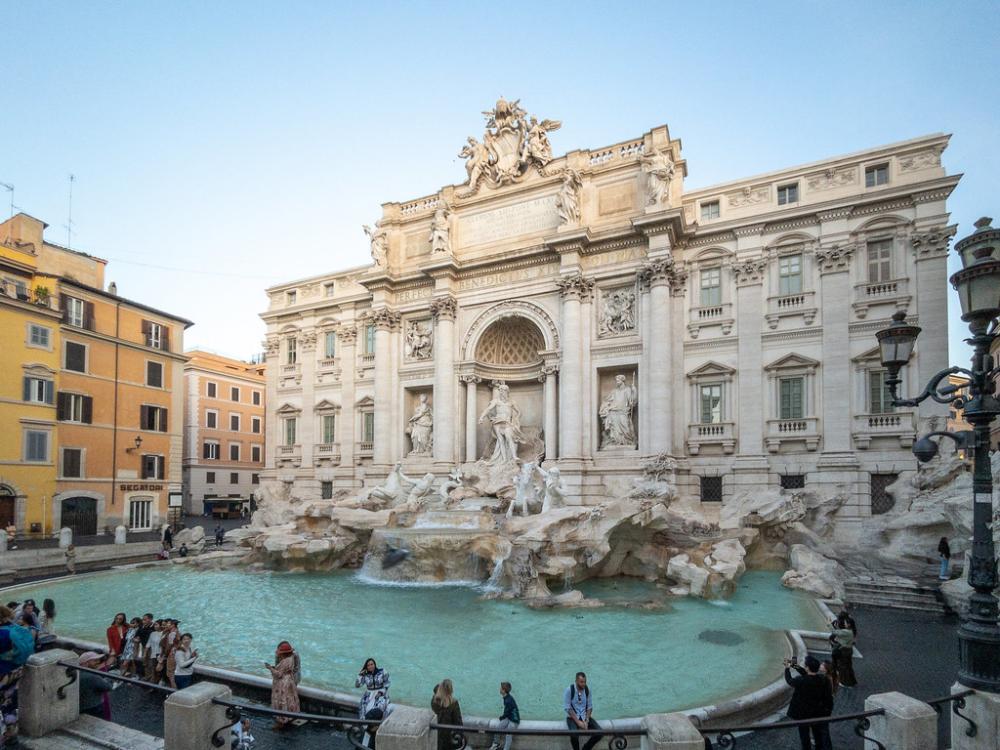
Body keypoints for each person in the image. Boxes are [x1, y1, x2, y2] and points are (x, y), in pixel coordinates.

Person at [784, 655, 833, 750]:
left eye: (805, 665)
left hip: (803, 715)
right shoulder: (823, 679)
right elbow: (806, 673)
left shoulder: (801, 680)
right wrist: (794, 665)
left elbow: (789, 681)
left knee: (804, 736)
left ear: (807, 667)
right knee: (817, 734)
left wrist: (787, 669)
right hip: (817, 713)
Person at [265, 641, 301, 730]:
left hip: (282, 684)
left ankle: (281, 721)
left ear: (282, 654)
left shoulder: (284, 661)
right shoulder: (292, 658)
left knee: (281, 701)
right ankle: (291, 716)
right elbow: (292, 669)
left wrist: (270, 668)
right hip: (290, 681)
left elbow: (279, 674)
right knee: (290, 700)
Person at [563, 672, 602, 750]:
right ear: (576, 681)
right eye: (581, 682)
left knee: (600, 733)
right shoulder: (569, 690)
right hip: (572, 718)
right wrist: (578, 722)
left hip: (584, 716)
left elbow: (590, 707)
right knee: (574, 735)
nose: (584, 684)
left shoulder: (587, 690)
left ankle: (586, 748)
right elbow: (568, 708)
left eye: (585, 681)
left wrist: (587, 720)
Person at [78, 651, 114, 719]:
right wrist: (109, 679)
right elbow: (108, 687)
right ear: (86, 663)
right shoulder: (92, 677)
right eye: (95, 660)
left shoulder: (77, 672)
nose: (98, 662)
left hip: (82, 706)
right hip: (94, 707)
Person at [431, 679, 463, 750]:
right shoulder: (453, 704)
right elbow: (458, 722)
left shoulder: (434, 701)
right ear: (451, 690)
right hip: (448, 737)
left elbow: (435, 690)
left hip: (436, 735)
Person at [488, 681, 519, 750]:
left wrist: (501, 717)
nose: (499, 689)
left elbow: (506, 712)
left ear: (504, 690)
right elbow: (507, 712)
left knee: (508, 735)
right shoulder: (506, 697)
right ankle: (496, 743)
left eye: (500, 688)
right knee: (498, 728)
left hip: (514, 720)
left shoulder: (508, 700)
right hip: (509, 717)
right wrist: (503, 717)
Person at [830, 614, 858, 688]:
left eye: (845, 623)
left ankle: (845, 682)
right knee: (848, 666)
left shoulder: (847, 632)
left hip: (844, 651)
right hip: (848, 650)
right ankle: (852, 681)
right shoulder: (851, 631)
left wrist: (829, 624)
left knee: (843, 667)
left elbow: (835, 632)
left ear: (848, 625)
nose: (844, 623)